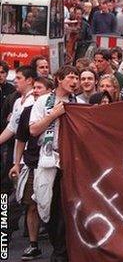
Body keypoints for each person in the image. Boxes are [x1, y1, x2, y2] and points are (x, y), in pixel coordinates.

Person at [29, 65, 80, 262]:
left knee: (65, 209)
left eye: (76, 77)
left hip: (71, 162)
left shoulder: (78, 103)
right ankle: (57, 247)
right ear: (59, 79)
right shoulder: (43, 101)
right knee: (47, 207)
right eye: (70, 77)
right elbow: (33, 130)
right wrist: (53, 114)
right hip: (49, 161)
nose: (74, 81)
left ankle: (61, 253)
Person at [9, 77, 53, 260]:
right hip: (32, 162)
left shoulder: (57, 109)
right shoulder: (27, 111)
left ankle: (57, 244)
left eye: (39, 88)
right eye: (34, 87)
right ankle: (33, 244)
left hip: (51, 163)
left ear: (49, 91)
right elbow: (20, 139)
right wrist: (16, 163)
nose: (35, 91)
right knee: (31, 205)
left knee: (52, 206)